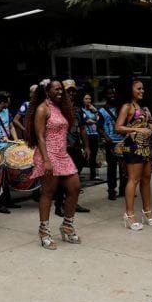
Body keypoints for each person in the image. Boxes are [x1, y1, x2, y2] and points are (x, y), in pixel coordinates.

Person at [25, 79, 82, 250]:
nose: (60, 91)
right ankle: (44, 231)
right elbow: (40, 136)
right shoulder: (43, 108)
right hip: (47, 155)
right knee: (48, 193)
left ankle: (67, 225)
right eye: (56, 89)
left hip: (62, 154)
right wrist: (46, 160)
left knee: (75, 187)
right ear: (47, 90)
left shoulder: (60, 107)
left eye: (61, 89)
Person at [115, 77, 152, 230]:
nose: (142, 91)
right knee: (133, 179)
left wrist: (150, 125)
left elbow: (142, 123)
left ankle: (147, 211)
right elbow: (118, 127)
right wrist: (137, 129)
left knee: (146, 178)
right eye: (138, 88)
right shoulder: (127, 107)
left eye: (143, 88)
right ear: (130, 90)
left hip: (145, 146)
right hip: (132, 147)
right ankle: (129, 214)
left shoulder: (142, 107)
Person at [52, 80, 91, 216]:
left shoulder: (77, 109)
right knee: (61, 179)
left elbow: (82, 128)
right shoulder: (56, 108)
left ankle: (73, 202)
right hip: (61, 149)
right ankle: (59, 205)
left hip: (74, 147)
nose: (72, 93)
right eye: (69, 91)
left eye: (73, 91)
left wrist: (86, 147)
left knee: (75, 177)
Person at [97, 85, 127, 201]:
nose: (112, 95)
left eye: (114, 93)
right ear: (105, 95)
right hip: (111, 142)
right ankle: (111, 191)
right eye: (110, 93)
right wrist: (106, 137)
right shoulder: (102, 111)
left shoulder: (121, 108)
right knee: (112, 168)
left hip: (123, 141)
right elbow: (98, 127)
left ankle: (123, 189)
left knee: (124, 167)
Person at [80, 92, 101, 180]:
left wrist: (95, 110)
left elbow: (99, 119)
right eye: (86, 99)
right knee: (86, 155)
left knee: (93, 155)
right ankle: (77, 172)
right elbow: (87, 121)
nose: (88, 100)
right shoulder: (81, 110)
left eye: (89, 99)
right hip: (86, 135)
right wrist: (94, 120)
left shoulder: (92, 110)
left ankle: (93, 175)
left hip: (94, 134)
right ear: (82, 100)